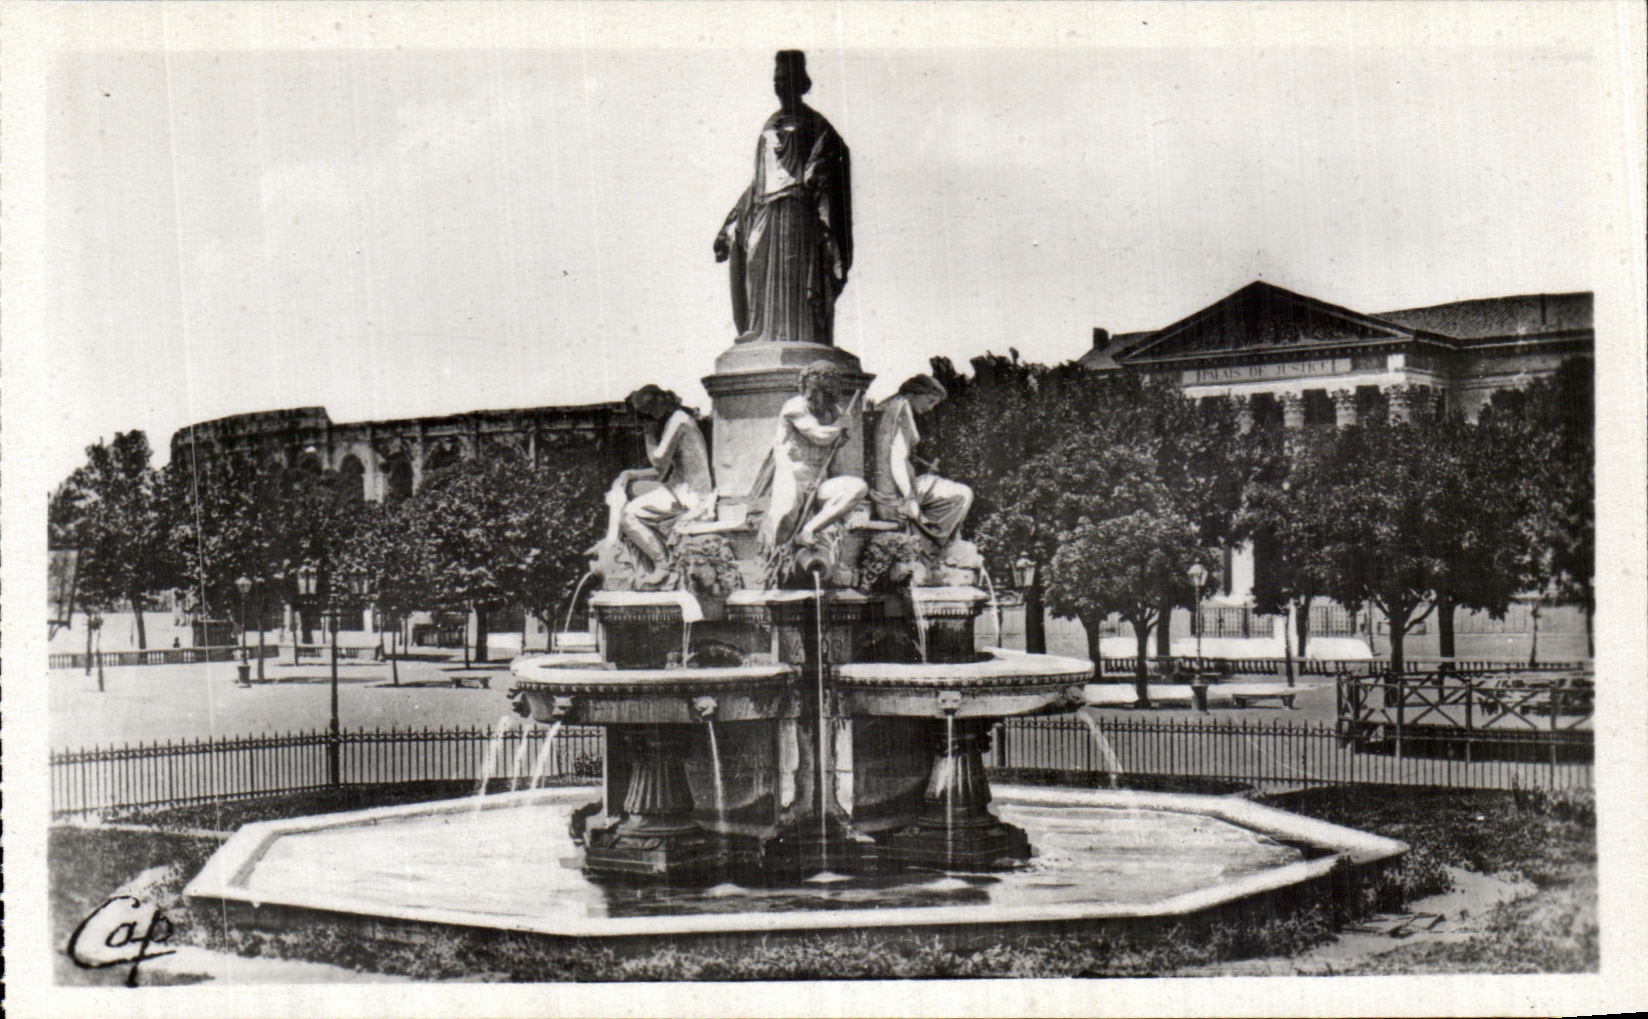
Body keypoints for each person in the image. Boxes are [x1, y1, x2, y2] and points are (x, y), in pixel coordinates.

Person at [714, 50, 852, 346]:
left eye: (786, 78)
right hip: (763, 211)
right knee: (756, 267)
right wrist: (729, 225)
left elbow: (833, 158)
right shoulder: (769, 124)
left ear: (801, 83)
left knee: (794, 277)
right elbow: (758, 181)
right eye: (777, 79)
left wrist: (814, 176)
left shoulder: (816, 124)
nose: (780, 85)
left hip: (796, 210)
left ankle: (798, 334)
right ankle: (761, 332)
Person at [593, 385, 716, 585]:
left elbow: (658, 460)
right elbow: (660, 473)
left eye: (647, 414)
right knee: (632, 497)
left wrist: (649, 436)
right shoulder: (676, 419)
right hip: (679, 488)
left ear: (657, 405)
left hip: (691, 494)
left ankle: (662, 564)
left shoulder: (679, 420)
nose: (648, 419)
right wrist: (629, 474)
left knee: (626, 514)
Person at [750, 361, 868, 553]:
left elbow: (836, 454)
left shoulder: (834, 412)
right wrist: (841, 425)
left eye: (824, 391)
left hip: (818, 482)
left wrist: (843, 430)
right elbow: (819, 436)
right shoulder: (794, 406)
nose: (815, 396)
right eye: (813, 390)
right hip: (790, 477)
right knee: (784, 516)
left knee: (857, 488)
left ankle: (809, 530)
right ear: (805, 387)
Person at [871, 375, 973, 545]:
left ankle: (932, 540)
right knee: (963, 493)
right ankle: (932, 544)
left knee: (954, 490)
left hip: (893, 487)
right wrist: (910, 497)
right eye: (930, 400)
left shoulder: (894, 406)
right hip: (896, 493)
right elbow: (896, 458)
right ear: (915, 393)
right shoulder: (901, 409)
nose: (930, 407)